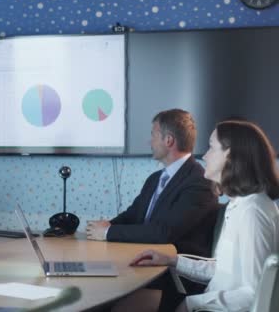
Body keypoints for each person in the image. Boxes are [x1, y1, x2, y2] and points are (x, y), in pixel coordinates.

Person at [130, 120, 279, 312]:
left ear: (231, 155)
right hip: (212, 302)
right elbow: (223, 271)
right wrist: (172, 260)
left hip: (216, 307)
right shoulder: (239, 205)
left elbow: (254, 294)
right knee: (134, 301)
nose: (205, 156)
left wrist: (192, 303)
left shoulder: (253, 212)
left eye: (211, 147)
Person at [86, 109, 219, 256]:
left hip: (171, 272)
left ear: (168, 140)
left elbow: (164, 232)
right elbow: (133, 215)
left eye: (153, 135)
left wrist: (107, 232)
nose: (149, 141)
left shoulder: (200, 183)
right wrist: (103, 227)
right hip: (144, 258)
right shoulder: (155, 178)